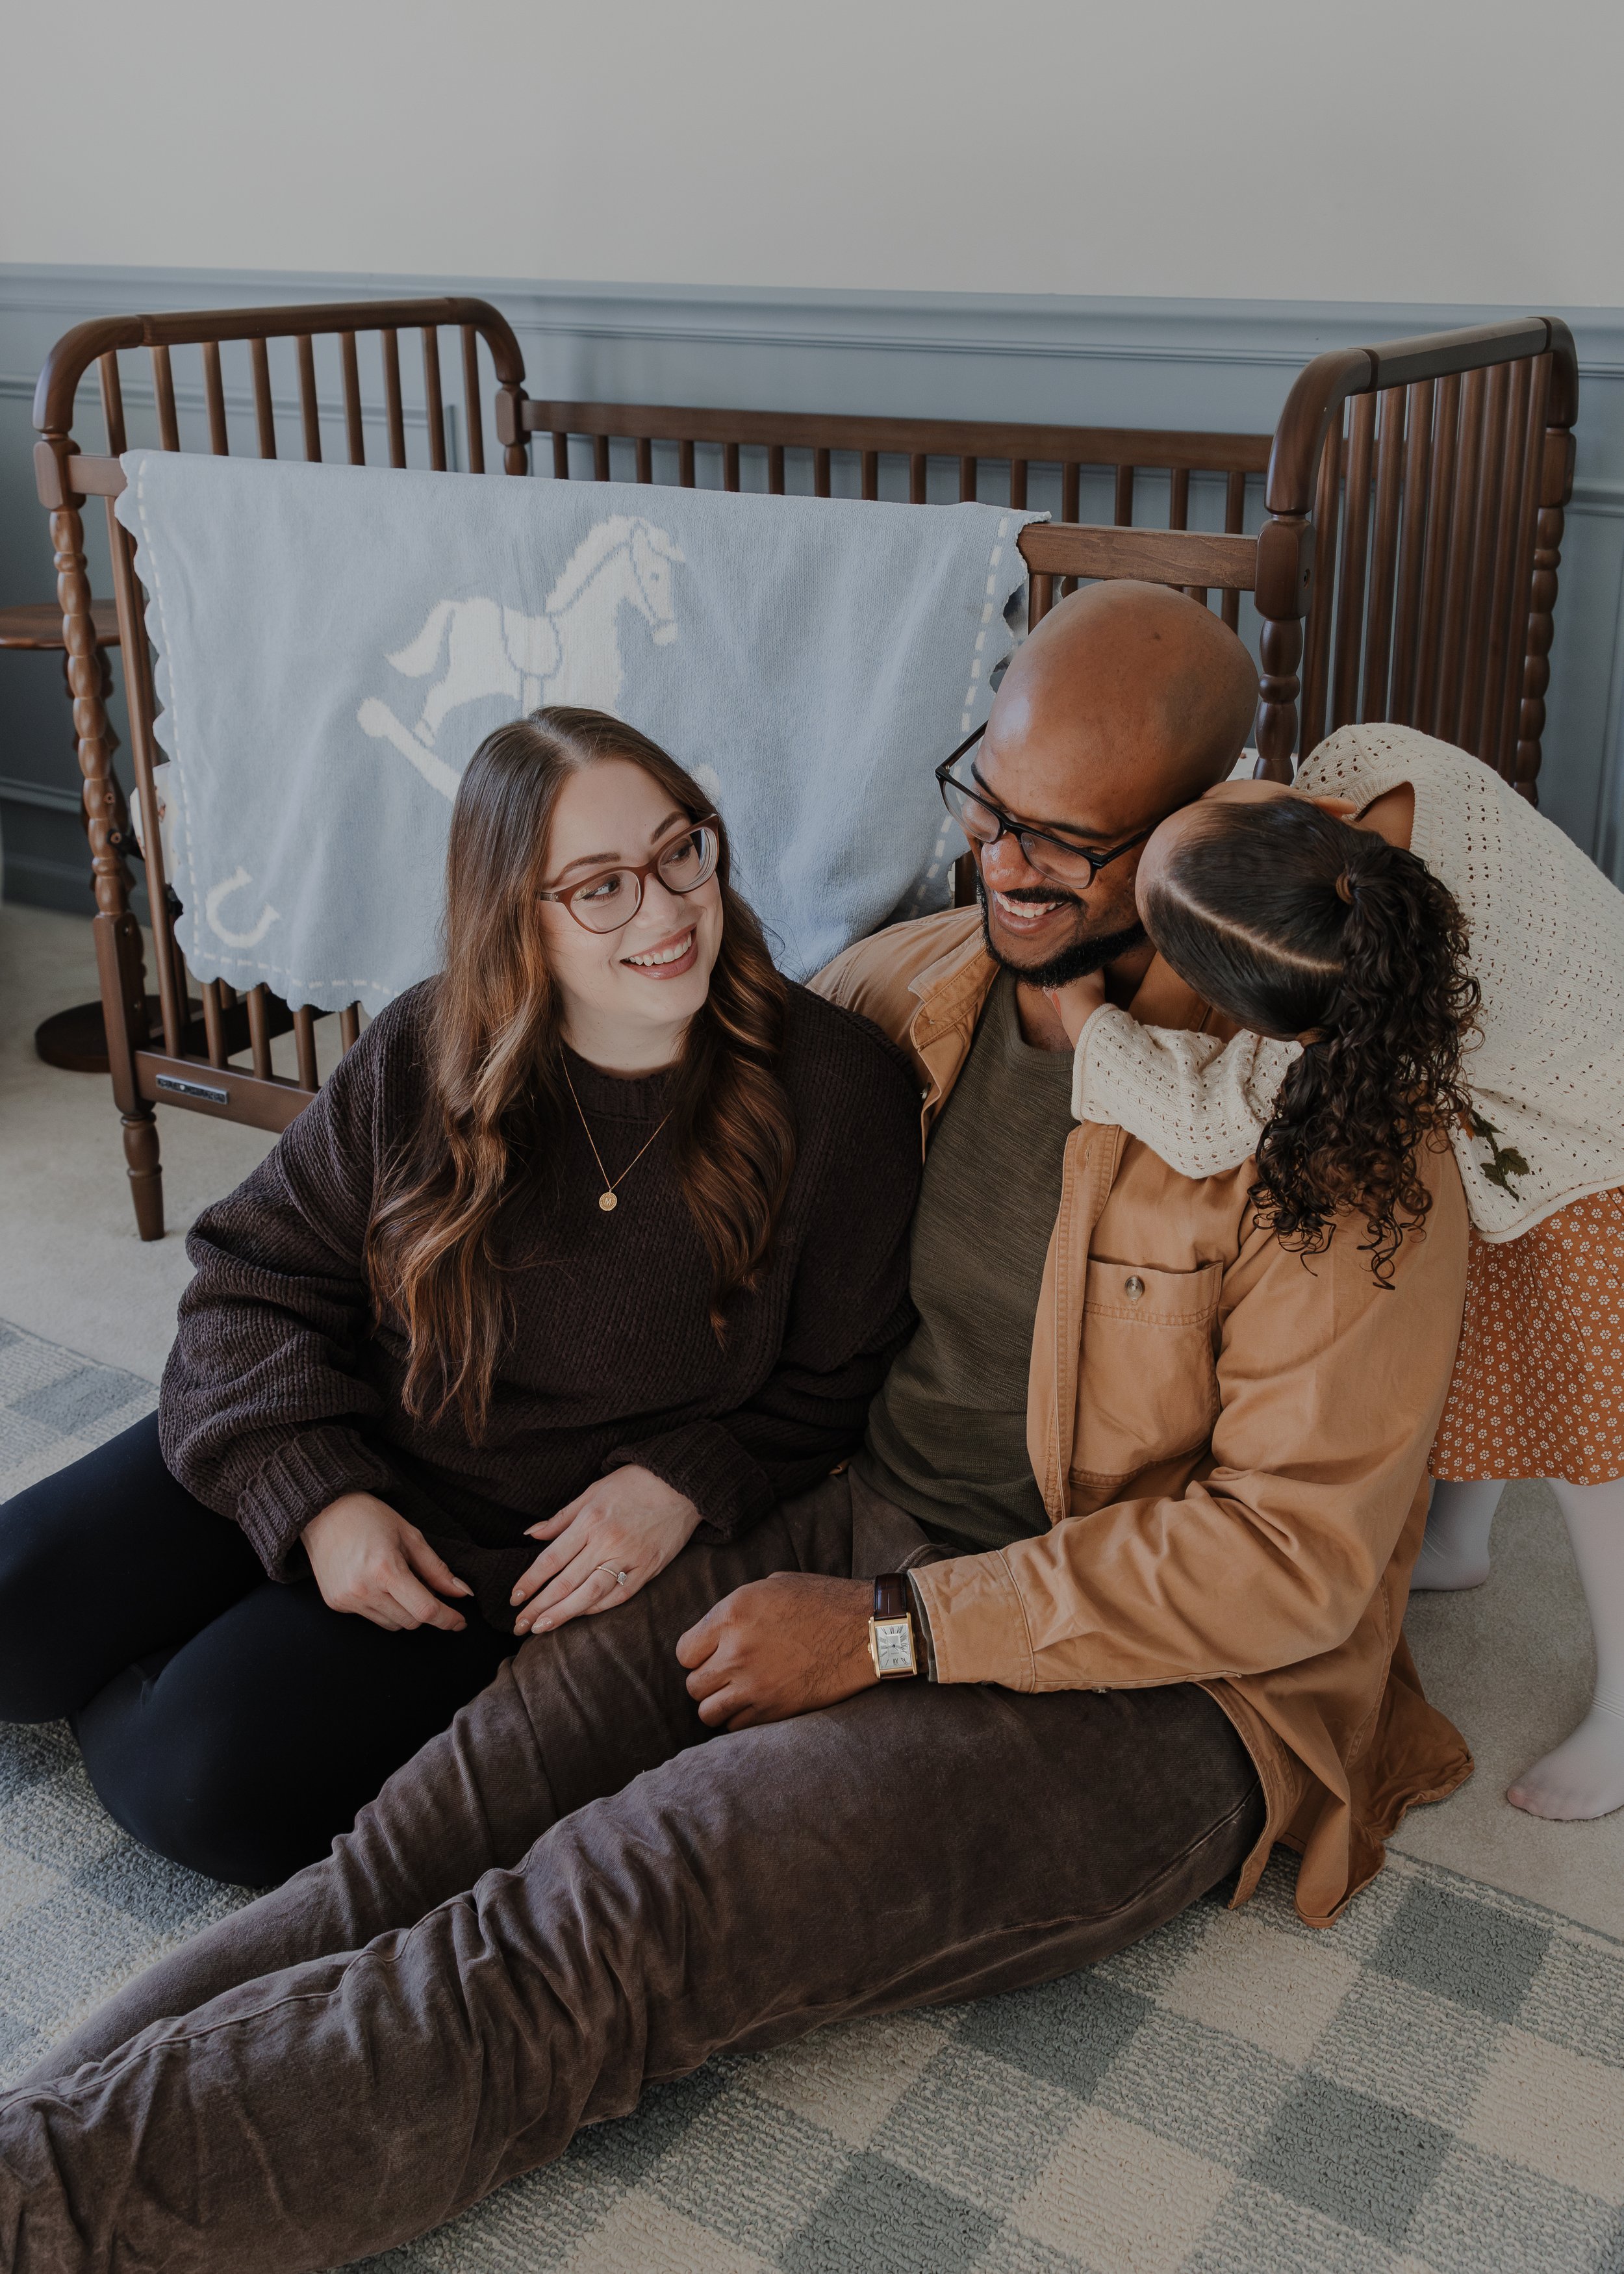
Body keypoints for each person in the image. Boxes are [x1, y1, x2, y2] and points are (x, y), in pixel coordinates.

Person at [0, 587, 1473, 2274]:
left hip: (1154, 1680)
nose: (998, 863)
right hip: (849, 1532)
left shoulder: (1335, 1139)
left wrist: (891, 1631)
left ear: (1196, 830)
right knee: (407, 1847)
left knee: (606, 1913)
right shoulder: (916, 994)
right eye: (985, 805)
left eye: (1063, 842)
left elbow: (1286, 1558)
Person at [0, 708, 920, 1887]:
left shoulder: (839, 1092)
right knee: (14, 1618)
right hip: (327, 1423)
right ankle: (216, 1599)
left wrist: (686, 1481)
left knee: (201, 1789)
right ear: (516, 918)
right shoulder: (427, 1043)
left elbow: (843, 1374)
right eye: (599, 887)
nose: (666, 909)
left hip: (481, 1560)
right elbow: (251, 1275)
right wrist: (315, 1500)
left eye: (679, 850)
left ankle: (200, 1648)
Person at [1058, 721, 1624, 1821]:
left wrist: (1083, 1017)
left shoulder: (1358, 1021)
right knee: (1496, 1327)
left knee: (1597, 1447)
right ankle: (1463, 1537)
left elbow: (1205, 1115)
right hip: (1557, 1053)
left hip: (1604, 1137)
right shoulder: (1360, 768)